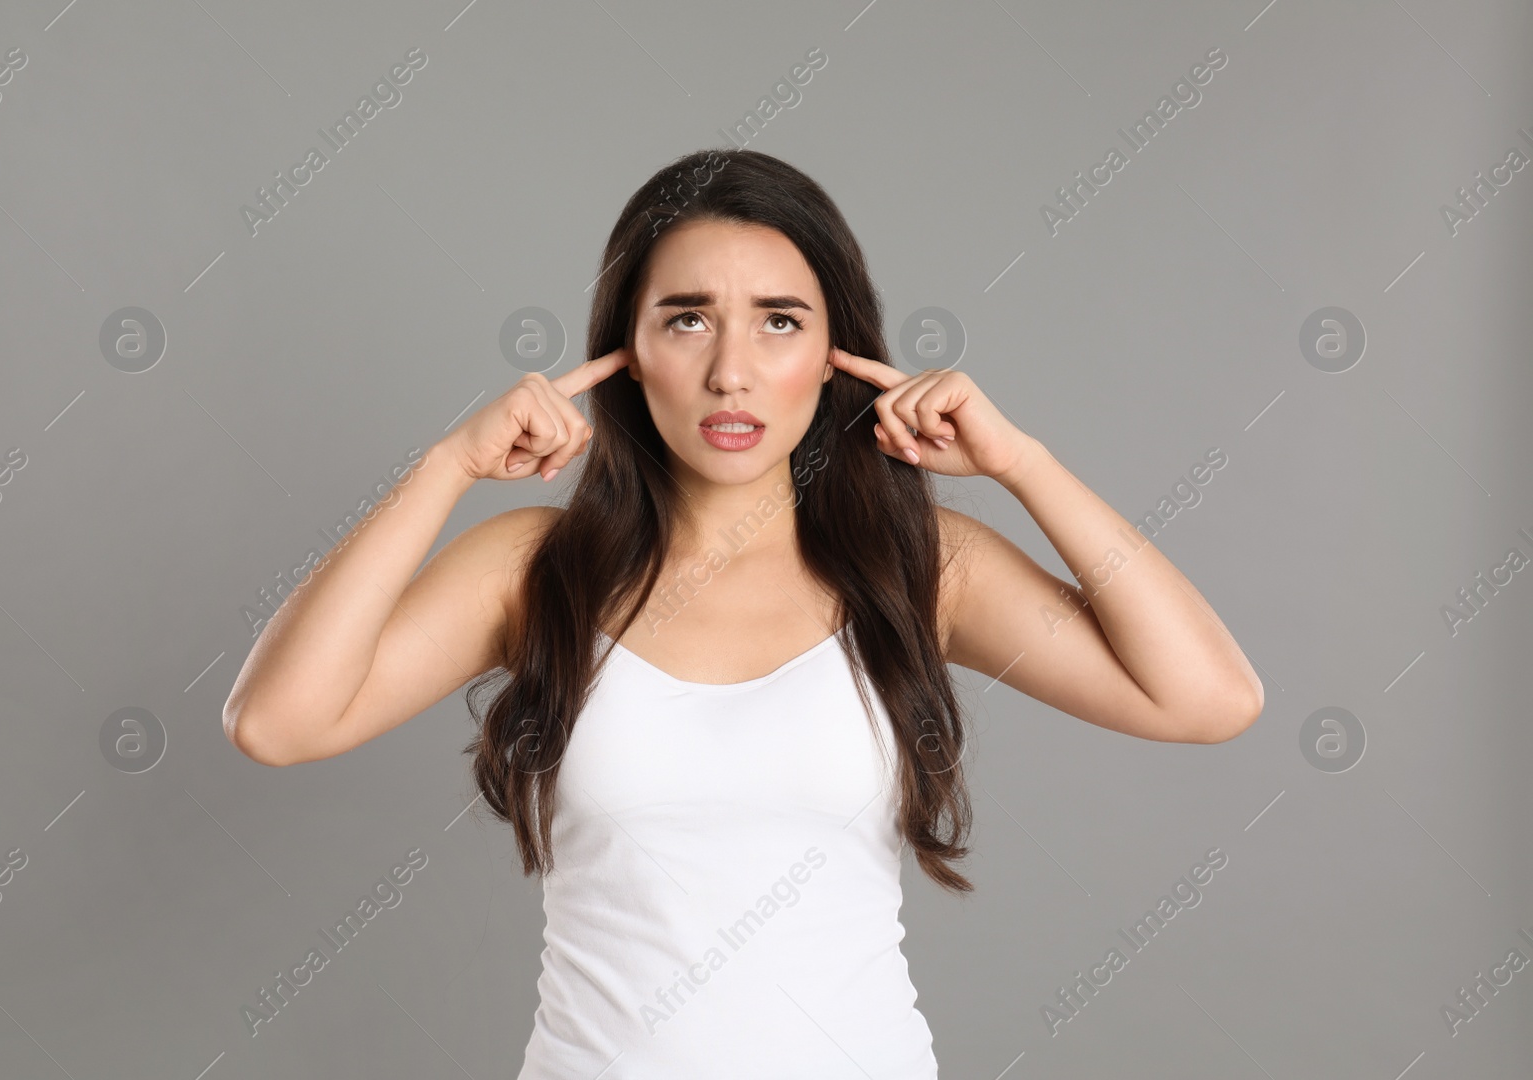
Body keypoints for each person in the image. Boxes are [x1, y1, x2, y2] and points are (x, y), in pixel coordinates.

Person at [222, 148, 1263, 1078]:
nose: (730, 370)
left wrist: (1021, 463)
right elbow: (277, 723)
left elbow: (1207, 698)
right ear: (624, 355)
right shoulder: (538, 566)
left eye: (779, 321)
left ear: (836, 352)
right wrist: (444, 467)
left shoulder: (916, 565)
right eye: (686, 318)